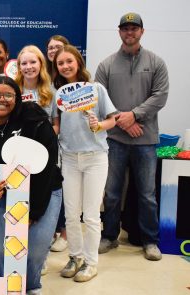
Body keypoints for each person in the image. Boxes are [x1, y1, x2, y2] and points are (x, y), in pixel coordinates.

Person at [0, 76, 62, 294]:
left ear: (17, 98)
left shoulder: (33, 118)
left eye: (9, 95)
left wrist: (34, 212)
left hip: (42, 191)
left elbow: (47, 167)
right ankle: (6, 286)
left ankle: (31, 286)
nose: (2, 99)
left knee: (35, 250)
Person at [95, 13, 169, 261]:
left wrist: (134, 116)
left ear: (142, 31)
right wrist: (124, 122)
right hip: (115, 140)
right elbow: (99, 100)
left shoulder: (156, 62)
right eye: (125, 28)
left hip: (146, 140)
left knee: (147, 194)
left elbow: (160, 96)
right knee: (112, 192)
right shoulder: (106, 65)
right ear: (119, 32)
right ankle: (110, 236)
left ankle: (150, 241)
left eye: (134, 28)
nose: (130, 32)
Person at [51, 45, 117, 282]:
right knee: (71, 214)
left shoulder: (96, 89)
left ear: (78, 62)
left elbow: (112, 120)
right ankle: (75, 256)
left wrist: (98, 125)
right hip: (68, 159)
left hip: (95, 158)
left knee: (90, 215)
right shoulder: (59, 93)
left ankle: (91, 263)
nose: (65, 66)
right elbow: (56, 125)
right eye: (60, 63)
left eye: (69, 61)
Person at [15, 44, 67, 256]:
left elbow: (56, 124)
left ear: (41, 64)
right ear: (18, 66)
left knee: (42, 198)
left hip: (45, 156)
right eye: (24, 63)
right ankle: (19, 247)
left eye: (33, 62)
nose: (29, 67)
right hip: (19, 155)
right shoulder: (13, 89)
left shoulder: (52, 92)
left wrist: (44, 145)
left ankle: (40, 254)